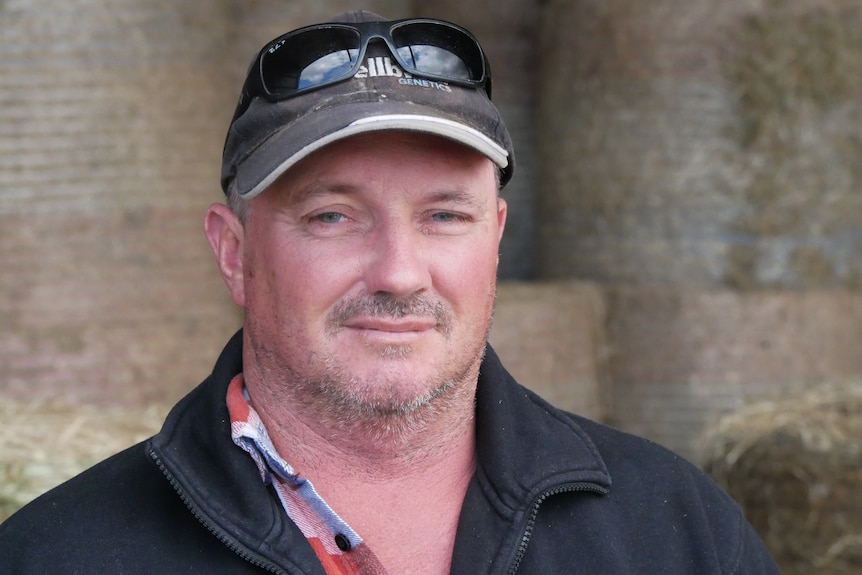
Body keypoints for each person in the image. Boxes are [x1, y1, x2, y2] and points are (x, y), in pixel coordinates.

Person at [0, 10, 781, 575]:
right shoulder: (57, 554)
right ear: (234, 253)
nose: (400, 272)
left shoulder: (678, 534)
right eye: (333, 216)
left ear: (497, 236)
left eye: (445, 215)